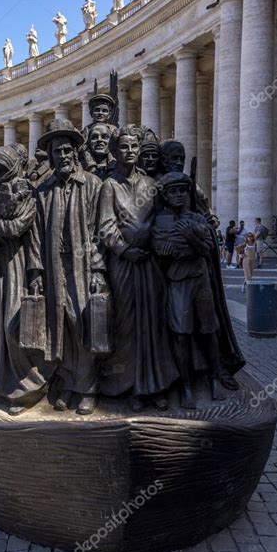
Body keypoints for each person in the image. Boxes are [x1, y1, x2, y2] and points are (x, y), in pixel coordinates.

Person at [26, 119, 108, 416]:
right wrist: (35, 271)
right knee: (58, 326)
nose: (61, 156)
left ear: (75, 151)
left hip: (83, 267)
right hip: (53, 267)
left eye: (65, 150)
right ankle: (67, 384)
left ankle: (88, 389)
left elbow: (102, 230)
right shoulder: (43, 190)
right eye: (55, 152)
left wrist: (98, 270)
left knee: (82, 324)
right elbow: (35, 234)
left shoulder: (93, 185)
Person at [98, 125, 179, 411]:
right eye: (124, 147)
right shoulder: (109, 185)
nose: (130, 151)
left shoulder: (150, 184)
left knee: (153, 325)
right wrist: (124, 249)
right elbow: (106, 225)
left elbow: (161, 218)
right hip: (123, 266)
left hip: (150, 264)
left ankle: (154, 385)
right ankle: (129, 386)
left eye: (134, 146)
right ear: (115, 151)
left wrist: (158, 242)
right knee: (127, 326)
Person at [0, 145, 54, 415]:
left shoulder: (26, 193)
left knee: (13, 325)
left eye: (2, 170)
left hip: (20, 264)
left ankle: (29, 387)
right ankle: (4, 385)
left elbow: (18, 228)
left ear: (14, 168)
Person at [153, 172, 223, 408]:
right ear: (165, 196)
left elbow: (207, 248)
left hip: (200, 280)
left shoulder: (197, 218)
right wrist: (184, 244)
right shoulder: (160, 220)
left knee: (209, 330)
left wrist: (189, 235)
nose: (178, 195)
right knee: (181, 334)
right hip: (178, 280)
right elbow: (161, 249)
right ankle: (185, 386)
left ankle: (214, 378)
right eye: (173, 191)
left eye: (183, 190)